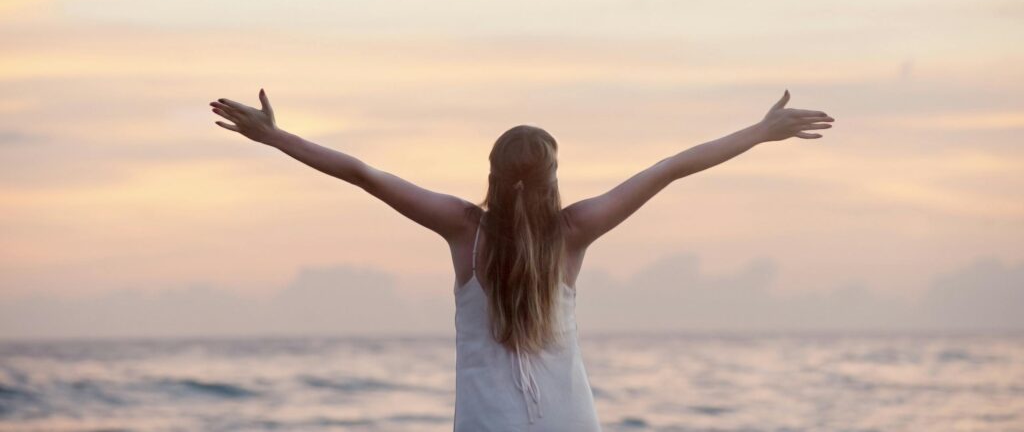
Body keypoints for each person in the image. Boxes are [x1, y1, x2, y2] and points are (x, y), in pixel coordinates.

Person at [209, 89, 834, 431]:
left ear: (492, 172)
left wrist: (275, 137)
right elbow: (670, 168)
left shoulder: (463, 229)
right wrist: (759, 132)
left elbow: (362, 174)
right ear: (553, 178)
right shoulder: (576, 229)